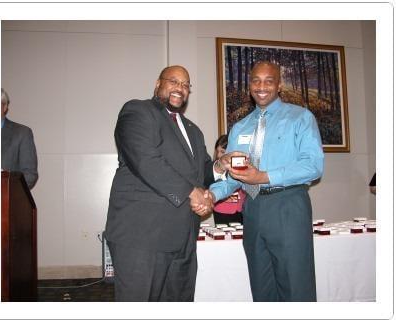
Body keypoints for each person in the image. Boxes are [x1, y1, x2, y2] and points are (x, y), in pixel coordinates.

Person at [105, 65, 223, 301]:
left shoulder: (194, 131)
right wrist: (192, 193)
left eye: (185, 84)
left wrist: (220, 167)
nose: (180, 88)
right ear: (158, 84)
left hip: (183, 238)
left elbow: (202, 174)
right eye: (174, 81)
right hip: (142, 237)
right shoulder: (138, 110)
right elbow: (145, 160)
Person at [209, 61, 324, 301]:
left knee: (295, 287)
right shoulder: (240, 126)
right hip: (252, 210)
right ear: (249, 85)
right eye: (256, 80)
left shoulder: (300, 117)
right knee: (262, 289)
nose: (262, 86)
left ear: (279, 85)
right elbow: (235, 176)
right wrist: (212, 194)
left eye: (268, 81)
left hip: (288, 206)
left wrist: (263, 176)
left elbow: (313, 166)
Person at [1, 88, 38, 189]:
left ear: (4, 107)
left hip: (5, 202)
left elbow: (29, 175)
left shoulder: (21, 133)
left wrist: (5, 193)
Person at [212, 134, 245, 225]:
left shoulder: (239, 165)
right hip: (221, 211)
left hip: (240, 210)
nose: (219, 155)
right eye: (217, 151)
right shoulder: (214, 169)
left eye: (222, 152)